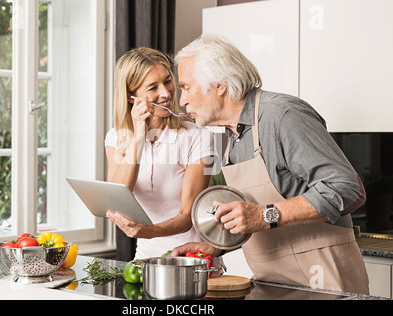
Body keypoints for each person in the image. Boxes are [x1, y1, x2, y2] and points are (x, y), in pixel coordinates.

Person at [172, 34, 369, 294]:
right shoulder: (234, 135)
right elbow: (255, 217)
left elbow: (347, 189)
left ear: (219, 84)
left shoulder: (282, 116)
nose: (182, 100)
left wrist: (264, 216)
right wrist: (218, 247)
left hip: (323, 281)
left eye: (186, 87)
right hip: (272, 284)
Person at [105, 47, 217, 260]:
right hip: (144, 260)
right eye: (152, 87)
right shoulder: (116, 138)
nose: (166, 93)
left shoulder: (198, 136)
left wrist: (150, 231)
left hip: (193, 258)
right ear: (131, 97)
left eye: (167, 81)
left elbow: (187, 215)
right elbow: (117, 197)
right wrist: (138, 137)